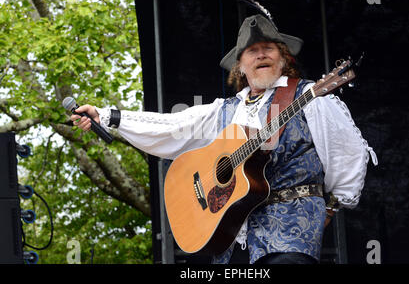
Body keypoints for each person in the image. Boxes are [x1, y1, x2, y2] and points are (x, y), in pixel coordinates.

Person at [71, 14, 377, 264]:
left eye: (269, 48)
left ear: (284, 59)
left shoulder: (311, 97)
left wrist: (331, 207)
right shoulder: (223, 111)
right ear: (240, 67)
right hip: (231, 241)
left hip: (291, 235)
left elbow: (348, 155)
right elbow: (170, 126)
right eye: (252, 51)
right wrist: (107, 116)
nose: (261, 55)